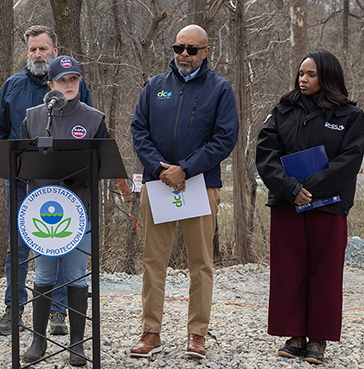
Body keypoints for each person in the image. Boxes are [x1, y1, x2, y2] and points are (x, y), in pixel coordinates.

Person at [129, 24, 238, 359]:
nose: (184, 55)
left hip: (200, 184)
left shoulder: (220, 89)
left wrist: (186, 169)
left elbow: (224, 138)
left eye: (192, 49)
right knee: (153, 261)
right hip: (158, 184)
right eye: (179, 48)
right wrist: (161, 168)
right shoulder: (155, 87)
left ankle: (197, 334)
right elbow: (138, 129)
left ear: (206, 51)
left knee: (201, 262)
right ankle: (151, 331)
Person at [256, 50, 364, 365]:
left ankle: (318, 339)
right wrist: (291, 189)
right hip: (287, 202)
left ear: (327, 77)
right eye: (301, 73)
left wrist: (310, 190)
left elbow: (348, 162)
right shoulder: (282, 110)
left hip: (328, 206)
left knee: (325, 273)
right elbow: (266, 154)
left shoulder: (350, 116)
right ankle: (294, 335)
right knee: (289, 270)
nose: (302, 79)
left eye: (311, 74)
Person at [0, 24, 93, 337]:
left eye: (42, 49)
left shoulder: (72, 83)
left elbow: (89, 122)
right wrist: (11, 166)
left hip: (64, 184)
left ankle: (58, 312)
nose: (37, 54)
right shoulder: (12, 86)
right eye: (32, 49)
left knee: (60, 243)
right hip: (22, 182)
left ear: (54, 51)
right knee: (18, 247)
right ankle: (13, 309)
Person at [20, 56, 109, 367]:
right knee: (44, 274)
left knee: (74, 275)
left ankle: (77, 344)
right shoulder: (33, 117)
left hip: (79, 210)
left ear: (79, 82)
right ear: (51, 85)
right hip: (43, 213)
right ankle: (38, 340)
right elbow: (20, 163)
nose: (69, 85)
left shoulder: (94, 118)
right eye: (62, 80)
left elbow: (104, 164)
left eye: (73, 80)